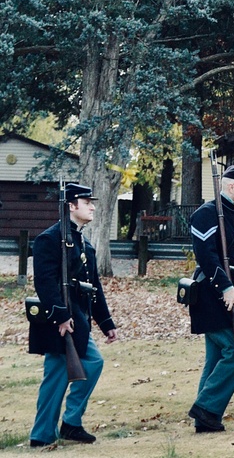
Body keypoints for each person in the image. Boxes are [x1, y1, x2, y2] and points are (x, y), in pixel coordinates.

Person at [28, 183, 118, 447]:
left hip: (78, 319)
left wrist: (106, 322)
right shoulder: (50, 239)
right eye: (86, 201)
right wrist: (60, 316)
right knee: (56, 376)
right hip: (58, 321)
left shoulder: (83, 242)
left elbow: (94, 287)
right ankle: (42, 435)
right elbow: (44, 282)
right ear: (71, 206)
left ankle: (71, 423)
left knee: (94, 363)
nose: (92, 206)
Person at [186, 162, 234, 433]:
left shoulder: (230, 214)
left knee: (216, 357)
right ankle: (205, 407)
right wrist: (226, 287)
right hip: (210, 294)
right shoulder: (207, 214)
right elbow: (206, 256)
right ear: (231, 186)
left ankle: (205, 418)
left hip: (228, 294)